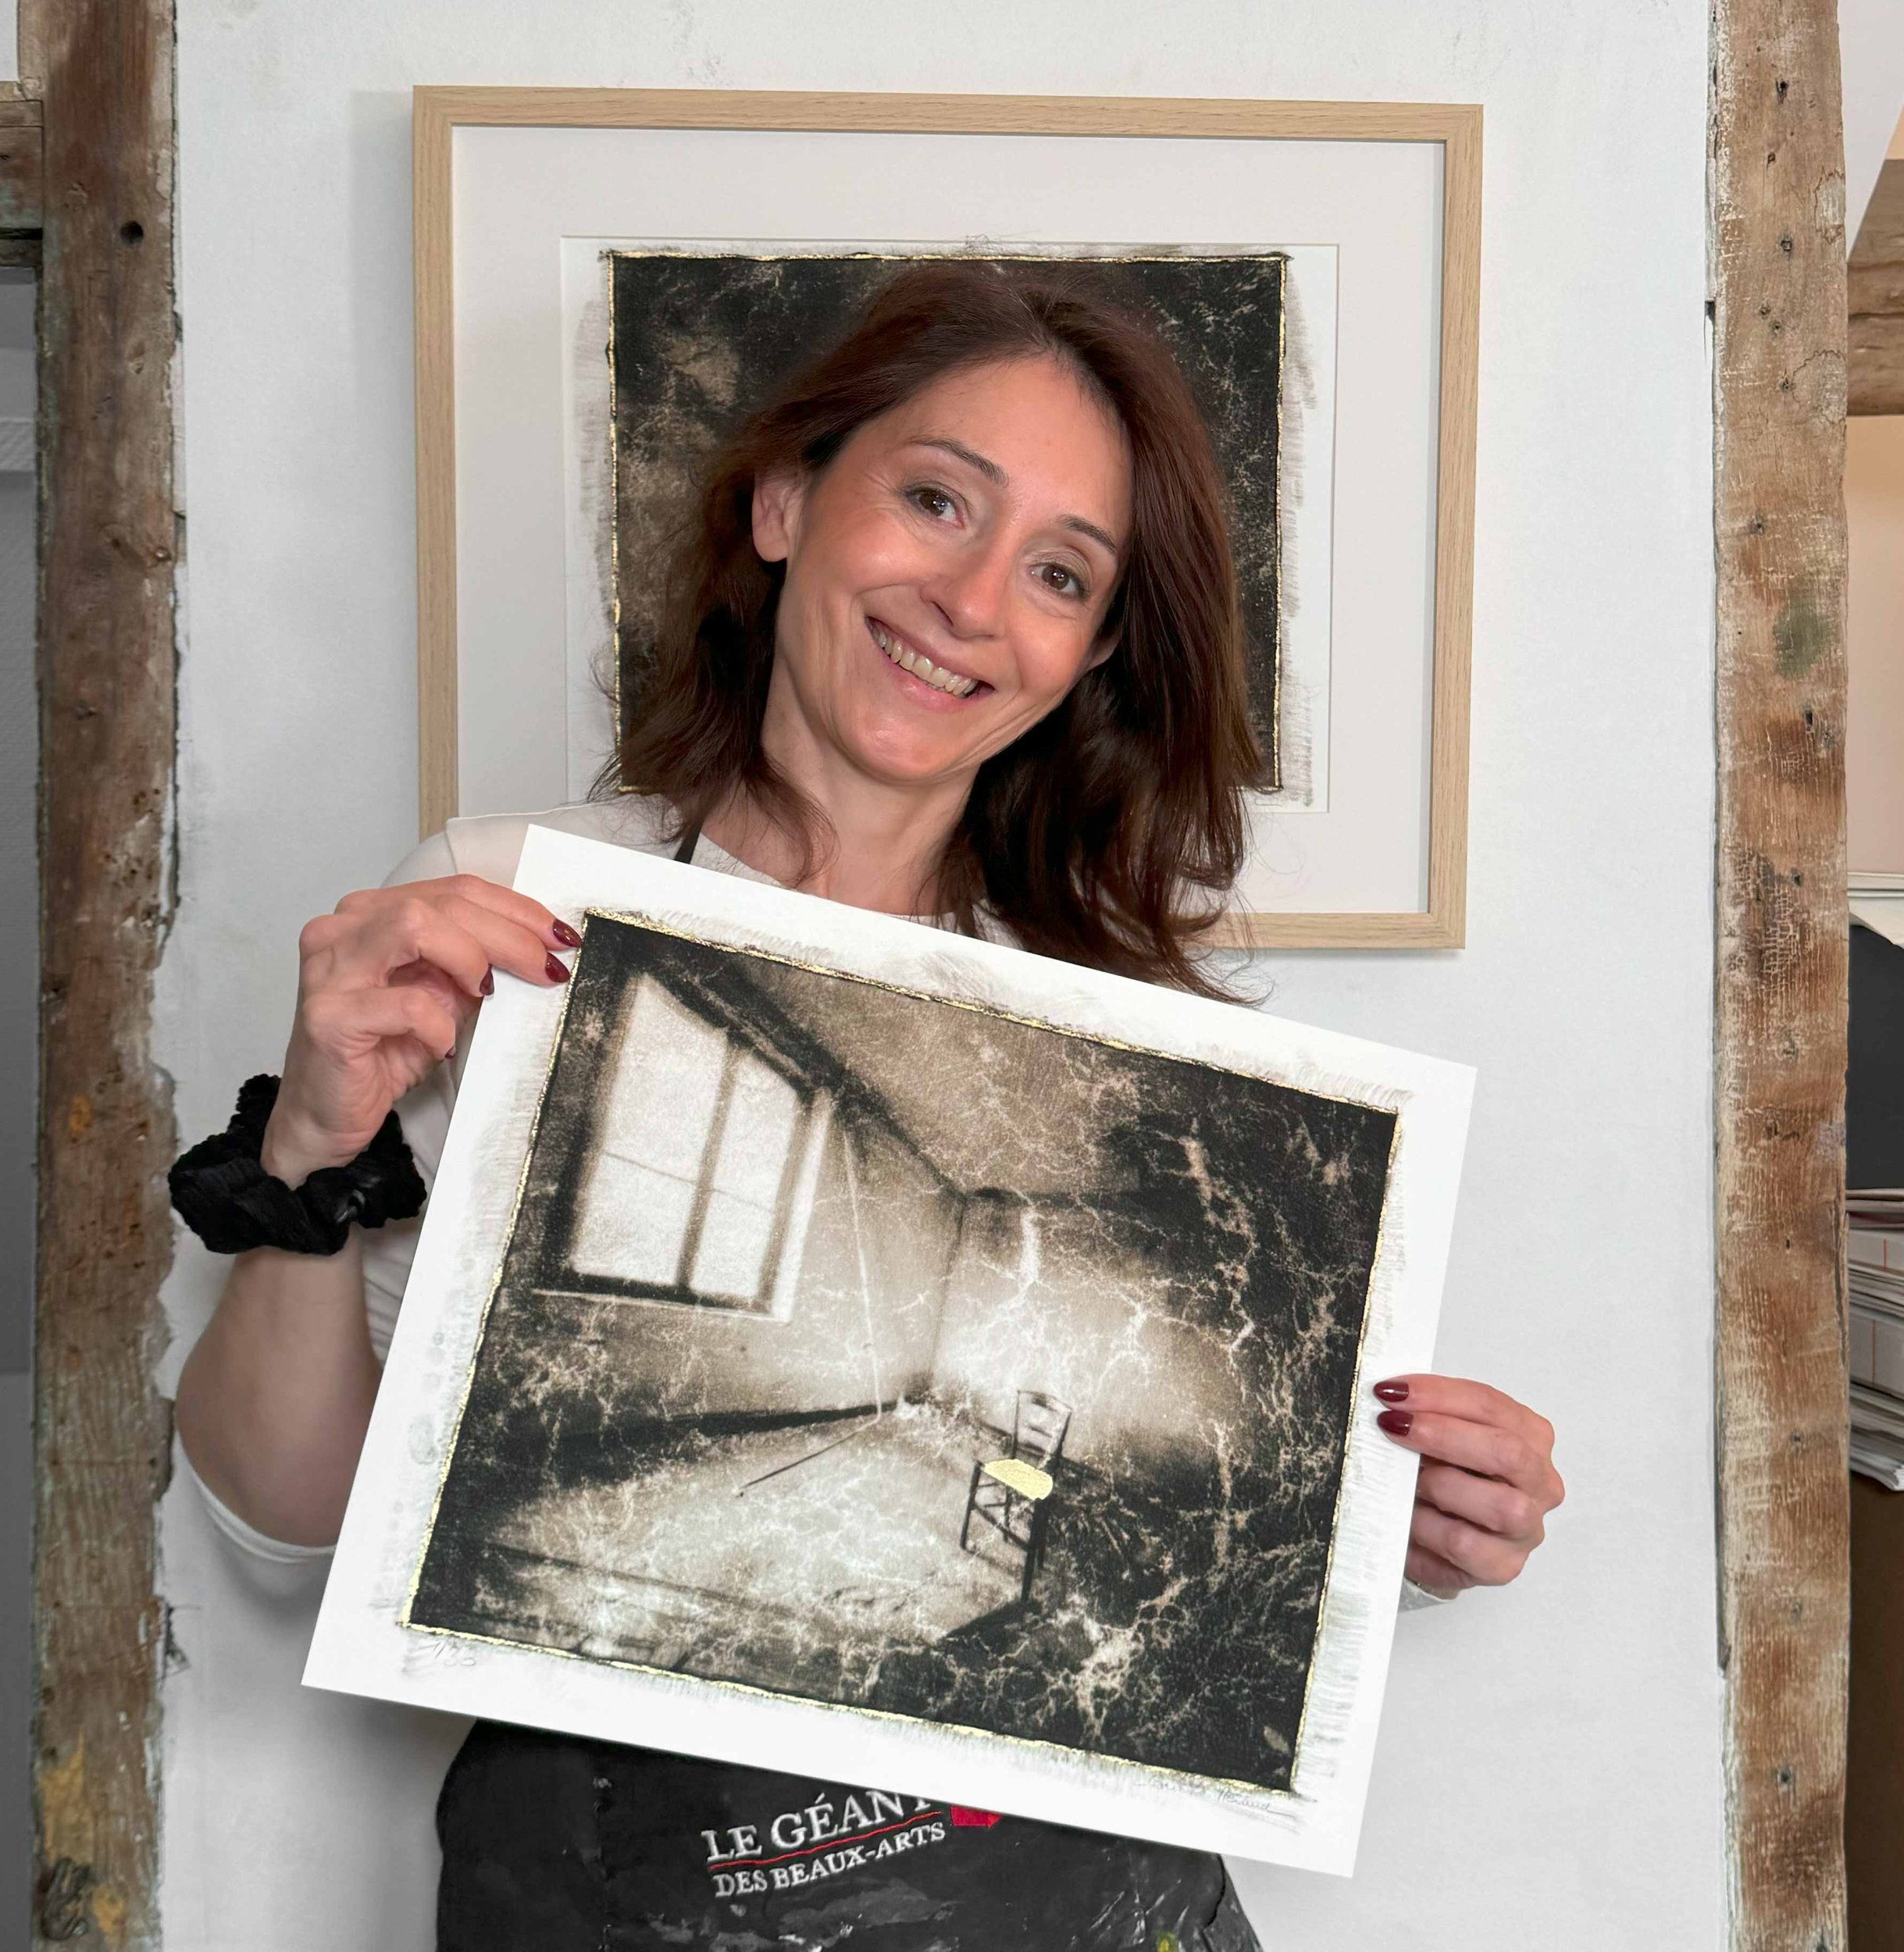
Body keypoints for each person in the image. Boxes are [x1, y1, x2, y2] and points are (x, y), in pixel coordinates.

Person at [173, 262, 1563, 1949]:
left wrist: (1406, 1516)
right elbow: (283, 1531)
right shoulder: (511, 906)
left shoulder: (1133, 1033)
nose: (972, 600)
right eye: (935, 500)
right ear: (782, 503)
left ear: (1086, 654)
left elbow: (1212, 1554)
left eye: (1058, 572)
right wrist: (308, 1154)